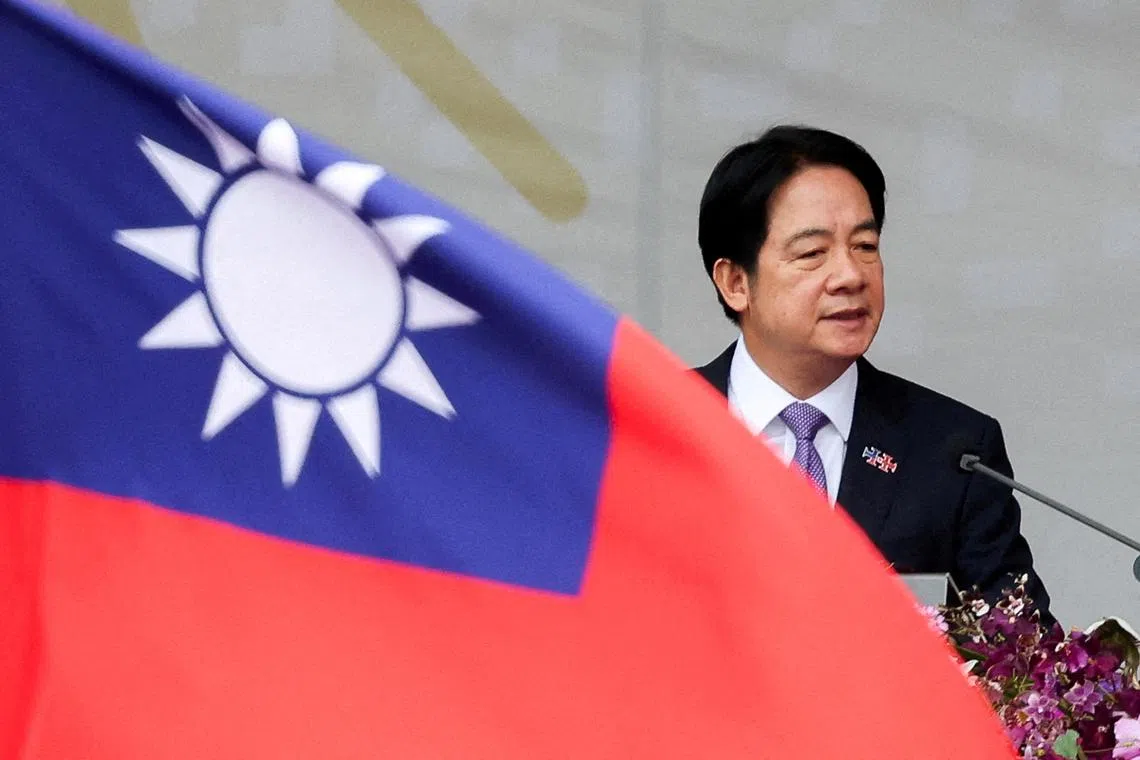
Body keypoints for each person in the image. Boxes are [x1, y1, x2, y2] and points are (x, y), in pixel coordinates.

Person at [693, 124, 1053, 623]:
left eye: (865, 245)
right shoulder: (644, 429)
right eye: (812, 253)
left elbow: (1023, 660)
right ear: (736, 282)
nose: (851, 275)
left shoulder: (957, 452)